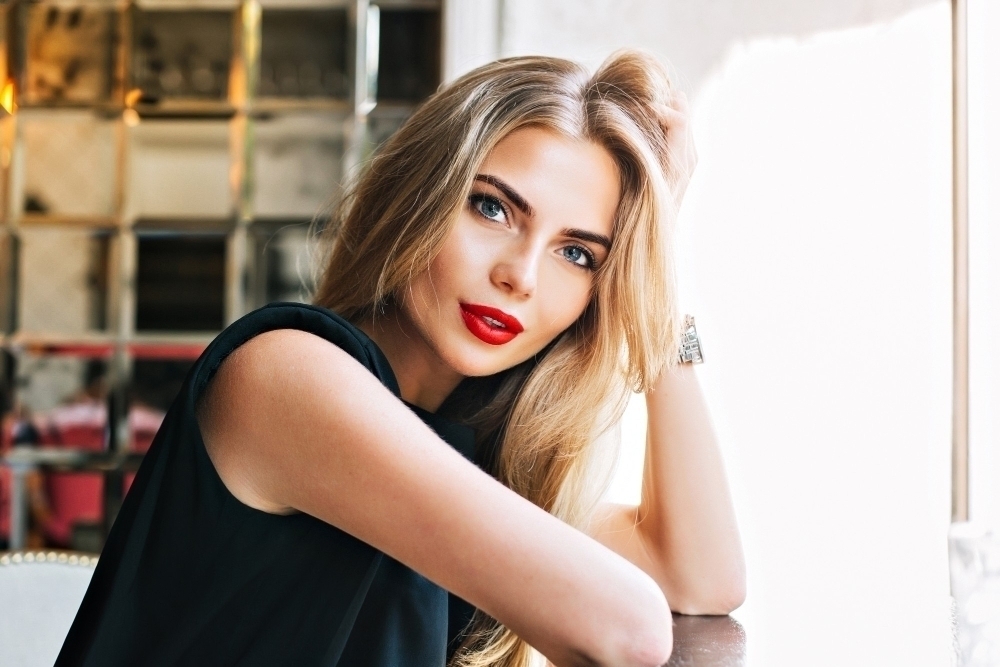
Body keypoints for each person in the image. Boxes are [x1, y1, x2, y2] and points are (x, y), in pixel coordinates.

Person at [56, 50, 744, 667]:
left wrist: (657, 275)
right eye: (492, 209)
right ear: (420, 194)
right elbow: (628, 630)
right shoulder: (287, 377)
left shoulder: (463, 448)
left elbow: (699, 579)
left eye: (577, 253)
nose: (521, 275)